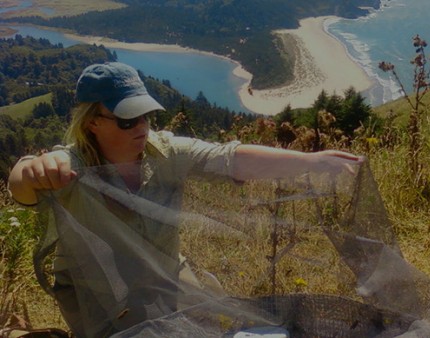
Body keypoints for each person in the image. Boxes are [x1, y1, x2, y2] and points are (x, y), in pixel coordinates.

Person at [8, 62, 363, 337]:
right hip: (102, 296)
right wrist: (30, 169)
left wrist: (311, 162)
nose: (142, 127)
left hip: (166, 275)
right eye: (127, 120)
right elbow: (21, 187)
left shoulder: (166, 151)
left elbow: (232, 157)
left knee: (222, 320)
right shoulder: (70, 166)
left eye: (145, 114)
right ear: (92, 124)